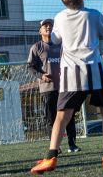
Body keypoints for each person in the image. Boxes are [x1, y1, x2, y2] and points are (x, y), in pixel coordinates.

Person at [31, 0, 103, 175]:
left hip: (70, 73)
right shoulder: (93, 15)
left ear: (63, 0)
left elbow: (55, 39)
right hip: (95, 71)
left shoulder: (59, 17)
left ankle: (50, 157)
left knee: (61, 116)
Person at [27, 18, 80, 153]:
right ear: (40, 31)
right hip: (48, 88)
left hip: (65, 87)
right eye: (45, 25)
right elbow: (31, 67)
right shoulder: (36, 47)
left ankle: (72, 145)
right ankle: (56, 147)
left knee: (69, 116)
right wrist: (41, 76)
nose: (48, 27)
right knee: (51, 118)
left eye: (50, 25)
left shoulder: (62, 45)